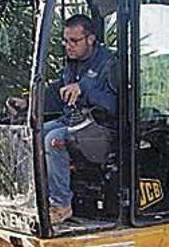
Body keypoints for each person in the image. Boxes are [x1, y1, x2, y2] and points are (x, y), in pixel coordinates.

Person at [44, 14, 118, 224]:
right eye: (66, 41)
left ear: (91, 39)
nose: (69, 46)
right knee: (33, 134)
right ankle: (41, 198)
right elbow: (59, 93)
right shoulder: (72, 63)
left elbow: (117, 105)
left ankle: (61, 205)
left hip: (102, 128)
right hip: (74, 121)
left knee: (53, 140)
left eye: (74, 41)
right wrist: (27, 102)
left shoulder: (109, 64)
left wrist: (84, 90)